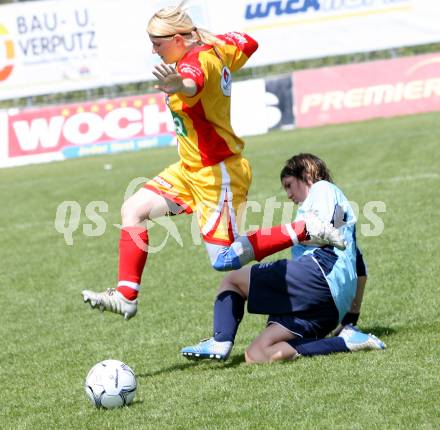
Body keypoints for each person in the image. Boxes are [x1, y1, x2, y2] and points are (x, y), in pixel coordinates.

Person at [81, 3, 344, 320]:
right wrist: (206, 40)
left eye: (157, 43)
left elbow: (193, 82)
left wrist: (180, 85)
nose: (153, 51)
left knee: (223, 258)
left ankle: (306, 228)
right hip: (189, 169)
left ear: (178, 39)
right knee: (132, 210)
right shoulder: (215, 50)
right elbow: (248, 41)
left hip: (216, 173)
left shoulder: (194, 65)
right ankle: (126, 295)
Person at [181, 153, 386, 362]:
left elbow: (321, 229)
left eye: (289, 185)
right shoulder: (340, 213)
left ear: (306, 174)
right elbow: (361, 271)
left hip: (318, 276)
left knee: (232, 281)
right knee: (256, 354)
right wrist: (350, 319)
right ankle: (345, 342)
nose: (288, 194)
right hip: (329, 308)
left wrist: (262, 241)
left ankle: (220, 340)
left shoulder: (322, 188)